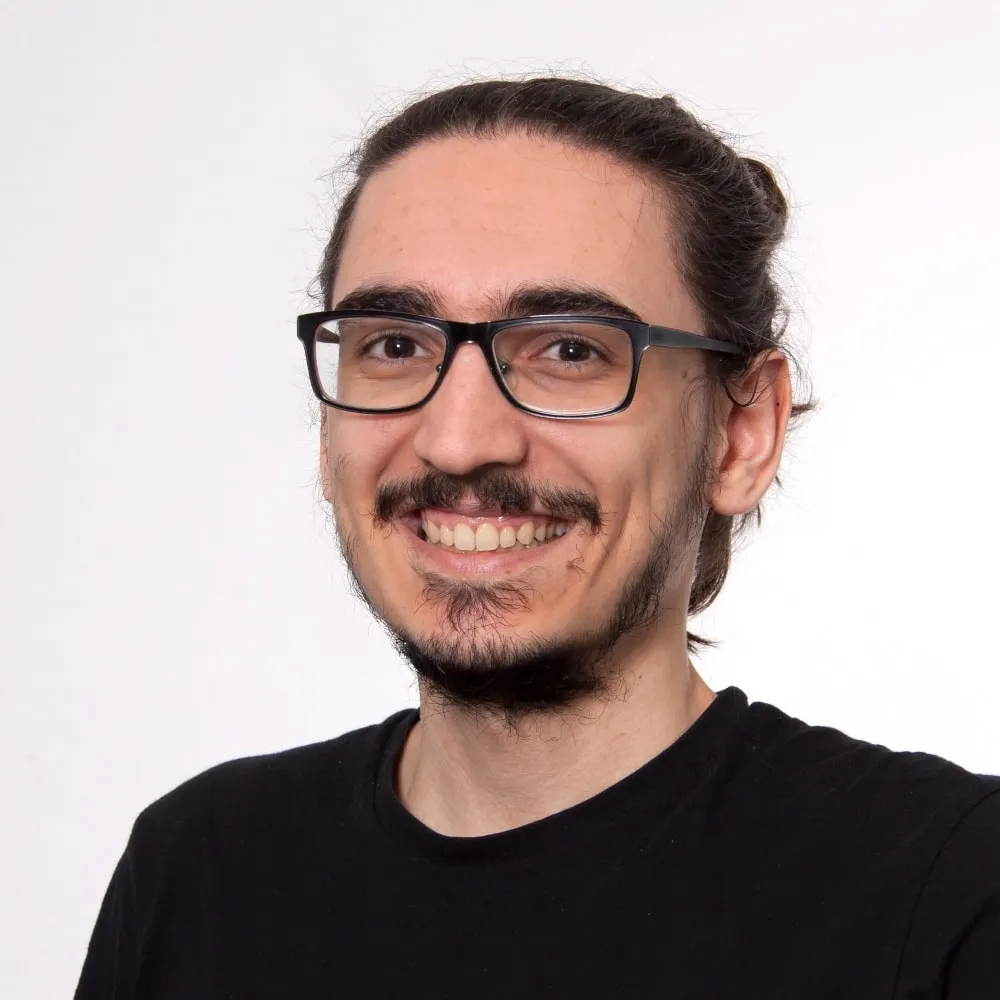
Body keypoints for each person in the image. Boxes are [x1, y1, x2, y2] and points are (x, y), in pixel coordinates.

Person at [75, 77, 999, 999]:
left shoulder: (952, 893)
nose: (458, 440)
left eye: (570, 348)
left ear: (740, 433)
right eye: (395, 345)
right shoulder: (201, 869)